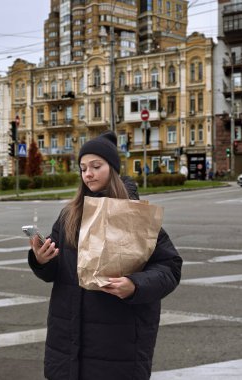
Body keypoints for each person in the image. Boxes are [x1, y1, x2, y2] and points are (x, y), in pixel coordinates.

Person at [28, 131, 182, 380]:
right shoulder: (70, 215)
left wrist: (135, 285)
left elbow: (170, 268)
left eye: (96, 166)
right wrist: (41, 259)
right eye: (83, 168)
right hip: (67, 342)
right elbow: (55, 271)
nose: (88, 174)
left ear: (113, 169)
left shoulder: (134, 215)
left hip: (118, 346)